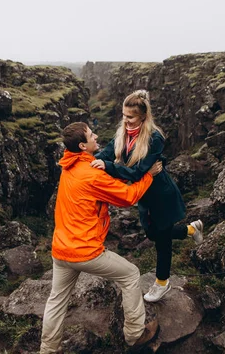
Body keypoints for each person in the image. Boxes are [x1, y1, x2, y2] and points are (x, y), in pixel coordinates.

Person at [40, 122, 162, 354]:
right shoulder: (90, 174)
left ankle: (48, 349)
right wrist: (148, 175)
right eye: (91, 135)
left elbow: (103, 176)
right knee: (130, 274)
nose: (96, 136)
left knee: (56, 300)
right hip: (84, 250)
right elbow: (127, 196)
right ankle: (135, 335)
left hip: (61, 250)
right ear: (83, 145)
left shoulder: (69, 165)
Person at [91, 90, 203, 303]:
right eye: (123, 116)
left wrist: (108, 166)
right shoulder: (123, 133)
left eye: (130, 117)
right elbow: (106, 152)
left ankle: (162, 282)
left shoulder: (154, 137)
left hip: (160, 193)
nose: (126, 121)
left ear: (143, 116)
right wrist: (89, 163)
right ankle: (191, 229)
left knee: (161, 239)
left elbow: (137, 172)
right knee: (152, 233)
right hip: (143, 193)